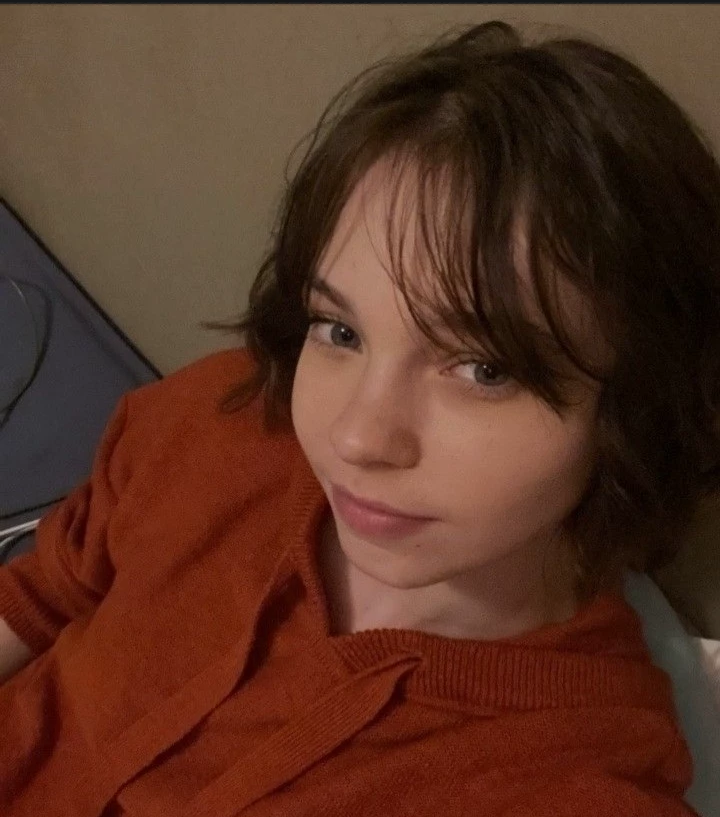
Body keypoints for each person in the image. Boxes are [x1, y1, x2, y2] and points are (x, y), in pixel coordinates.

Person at [1, 19, 719, 817]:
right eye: (340, 331)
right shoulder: (218, 420)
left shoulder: (578, 778)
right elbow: (47, 589)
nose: (354, 438)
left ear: (642, 407)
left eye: (484, 369)